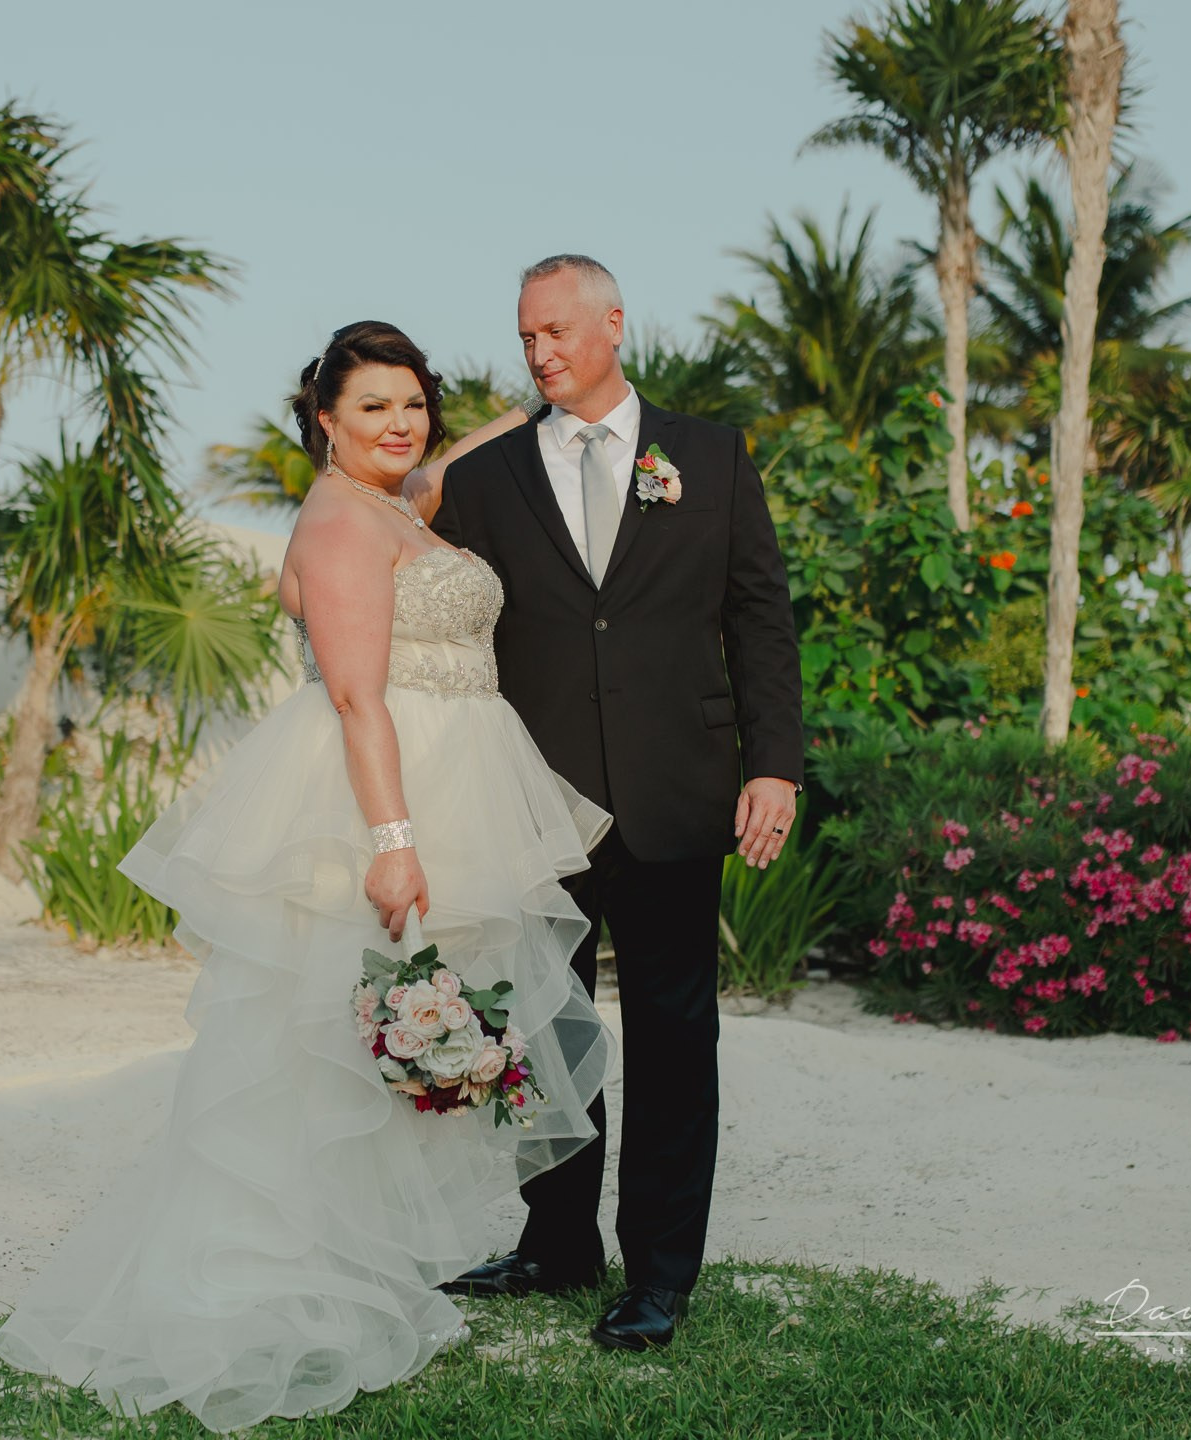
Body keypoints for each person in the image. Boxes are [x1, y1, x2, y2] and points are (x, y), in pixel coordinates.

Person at [0, 320, 613, 1432]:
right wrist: (393, 842)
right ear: (323, 419)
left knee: (385, 1037)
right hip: (387, 792)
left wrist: (551, 395)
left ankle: (354, 1257)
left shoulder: (393, 502)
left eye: (412, 402)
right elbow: (355, 697)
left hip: (460, 772)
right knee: (318, 1042)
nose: (400, 423)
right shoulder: (337, 519)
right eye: (373, 406)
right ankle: (258, 1279)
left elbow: (450, 463)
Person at [432, 254, 805, 1352]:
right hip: (535, 796)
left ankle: (660, 1274)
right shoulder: (492, 477)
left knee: (678, 1036)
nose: (540, 353)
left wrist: (772, 764)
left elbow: (759, 621)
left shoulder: (710, 456)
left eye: (556, 332)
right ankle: (556, 1244)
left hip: (675, 792)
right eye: (526, 339)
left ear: (614, 325)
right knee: (549, 1031)